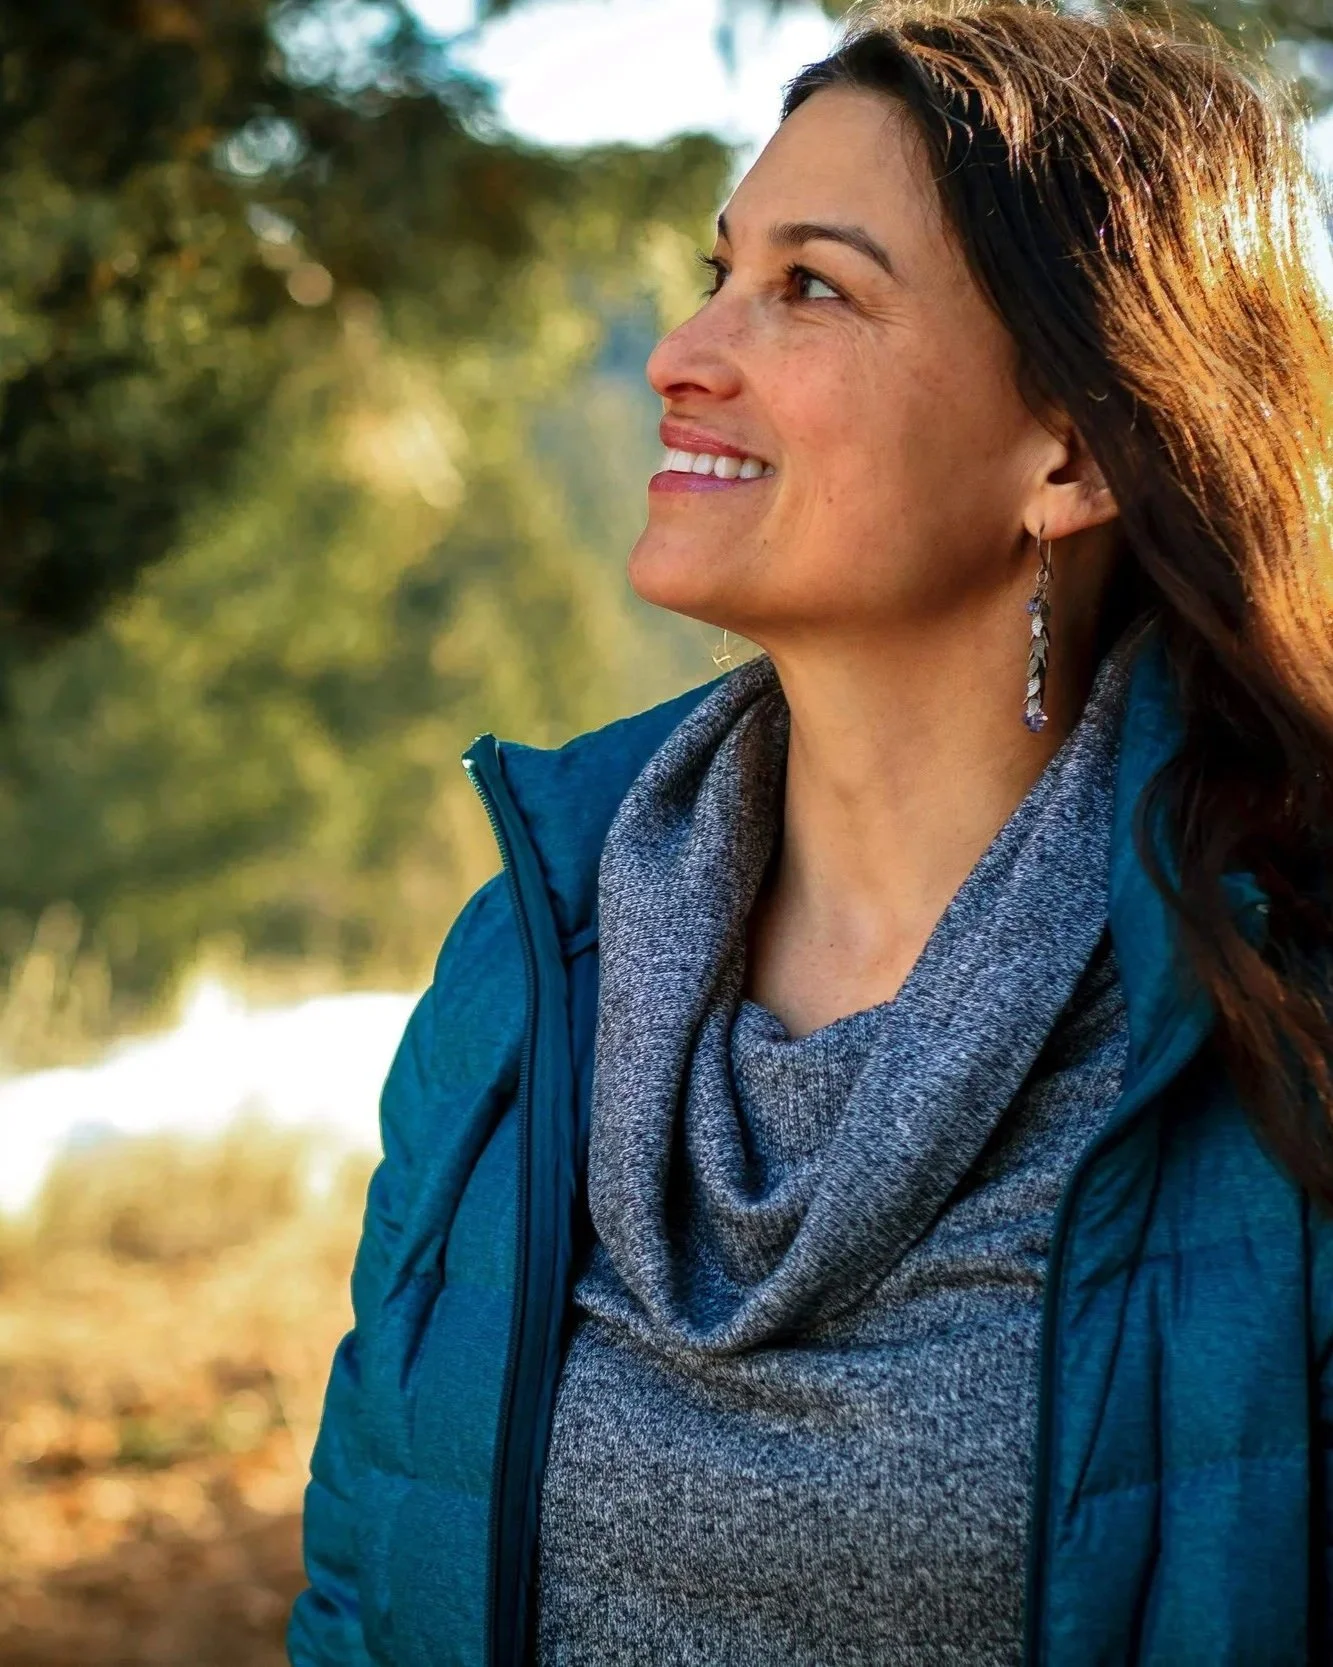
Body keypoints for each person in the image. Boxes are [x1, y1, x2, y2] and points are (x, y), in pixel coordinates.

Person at [287, 3, 1333, 1663]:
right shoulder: (534, 954)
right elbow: (361, 1583)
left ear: (1071, 447)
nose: (683, 352)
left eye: (811, 289)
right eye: (720, 271)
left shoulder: (1285, 1012)